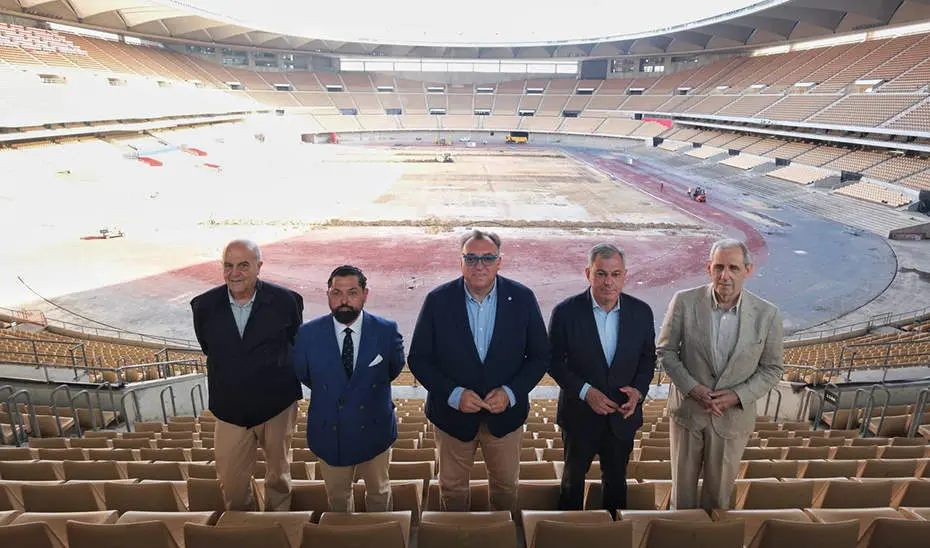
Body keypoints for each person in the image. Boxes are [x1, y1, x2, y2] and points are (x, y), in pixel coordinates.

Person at [408, 230, 550, 512]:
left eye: (487, 258)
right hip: (451, 418)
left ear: (500, 262)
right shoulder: (438, 300)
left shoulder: (522, 298)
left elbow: (540, 356)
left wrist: (511, 393)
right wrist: (454, 394)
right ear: (460, 262)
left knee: (506, 487)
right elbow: (419, 359)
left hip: (505, 419)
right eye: (471, 258)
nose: (479, 265)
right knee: (452, 488)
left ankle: (500, 534)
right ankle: (459, 535)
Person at [657, 238, 784, 511]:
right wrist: (692, 388)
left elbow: (772, 368)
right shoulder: (684, 301)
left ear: (748, 270)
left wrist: (737, 396)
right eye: (719, 267)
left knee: (718, 501)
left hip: (732, 420)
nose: (725, 276)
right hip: (688, 414)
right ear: (709, 268)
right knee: (682, 498)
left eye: (733, 268)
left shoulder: (767, 315)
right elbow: (666, 351)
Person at [190, 239, 304, 511]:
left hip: (277, 404)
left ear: (258, 267)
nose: (235, 273)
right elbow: (209, 347)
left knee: (279, 476)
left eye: (243, 265)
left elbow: (294, 343)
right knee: (232, 484)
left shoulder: (286, 301)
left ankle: (279, 526)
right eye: (228, 266)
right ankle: (247, 528)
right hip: (230, 408)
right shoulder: (203, 306)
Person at [548, 244, 655, 514]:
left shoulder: (642, 312)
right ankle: (567, 533)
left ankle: (613, 534)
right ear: (588, 274)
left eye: (615, 274)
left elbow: (647, 359)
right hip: (579, 416)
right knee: (572, 484)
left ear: (624, 275)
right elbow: (552, 361)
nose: (609, 282)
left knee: (617, 485)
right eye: (601, 274)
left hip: (622, 417)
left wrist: (639, 392)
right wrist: (586, 392)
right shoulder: (565, 312)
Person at [292, 265, 405, 512]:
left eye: (352, 293)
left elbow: (392, 369)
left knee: (379, 494)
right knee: (338, 499)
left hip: (375, 429)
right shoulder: (307, 334)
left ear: (365, 294)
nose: (344, 300)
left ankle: (380, 535)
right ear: (328, 295)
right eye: (336, 293)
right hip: (329, 432)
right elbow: (305, 374)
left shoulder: (386, 331)